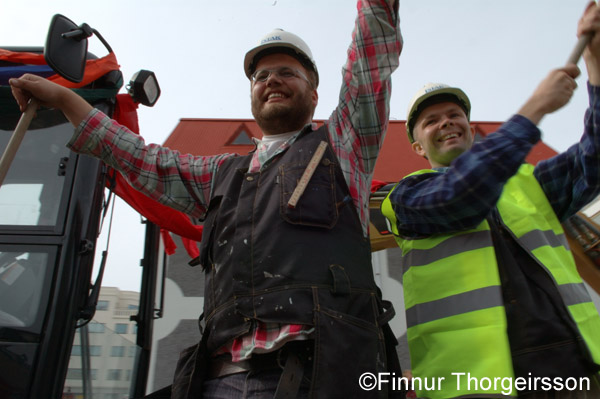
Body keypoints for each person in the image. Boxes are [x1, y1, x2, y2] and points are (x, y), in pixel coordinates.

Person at [10, 1, 403, 398]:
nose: (272, 80)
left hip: (322, 379)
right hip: (218, 382)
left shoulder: (343, 147)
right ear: (251, 93)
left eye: (288, 72)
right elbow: (139, 157)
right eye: (261, 75)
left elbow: (370, 65)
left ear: (314, 94)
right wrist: (65, 99)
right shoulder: (220, 175)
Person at [381, 3, 600, 399]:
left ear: (469, 127)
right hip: (477, 384)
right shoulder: (405, 199)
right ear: (416, 146)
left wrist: (595, 66)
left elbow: (595, 158)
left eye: (454, 114)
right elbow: (463, 196)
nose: (447, 121)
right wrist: (534, 109)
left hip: (575, 370)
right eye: (431, 121)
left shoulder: (527, 182)